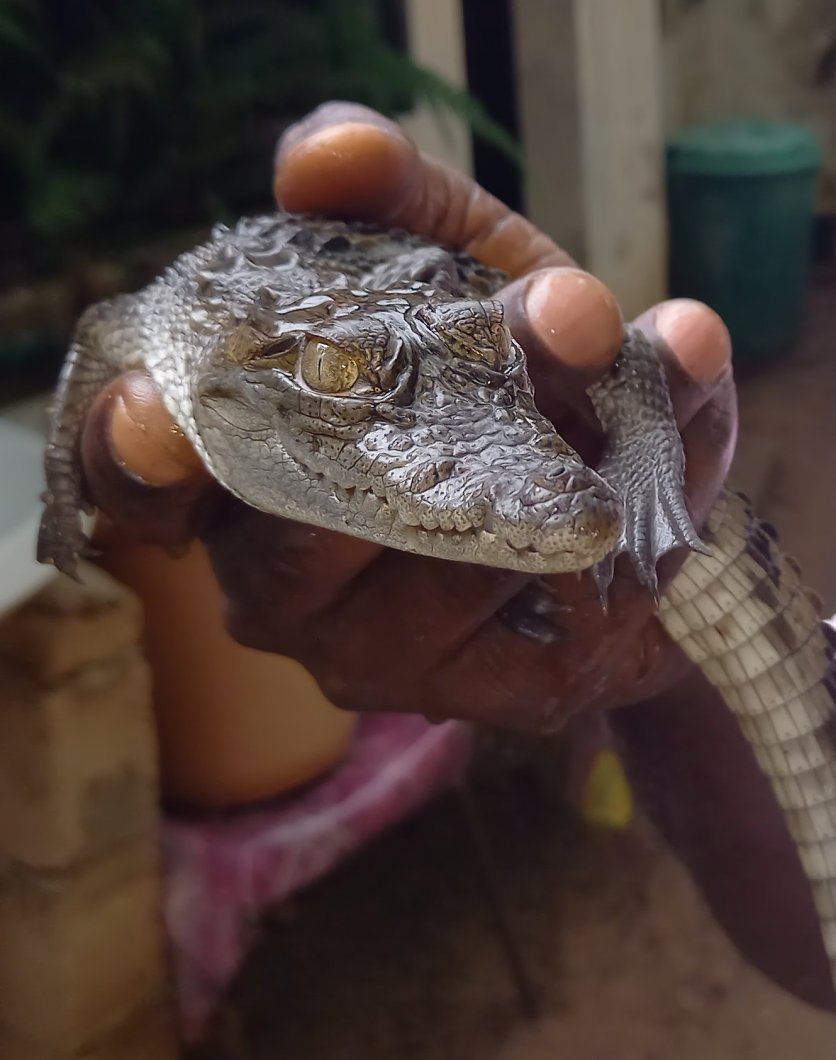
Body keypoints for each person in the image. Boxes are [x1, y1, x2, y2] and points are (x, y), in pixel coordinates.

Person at [79, 103, 833, 1011]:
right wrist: (654, 667)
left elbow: (616, 384)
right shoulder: (181, 335)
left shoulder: (468, 362)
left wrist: (640, 463)